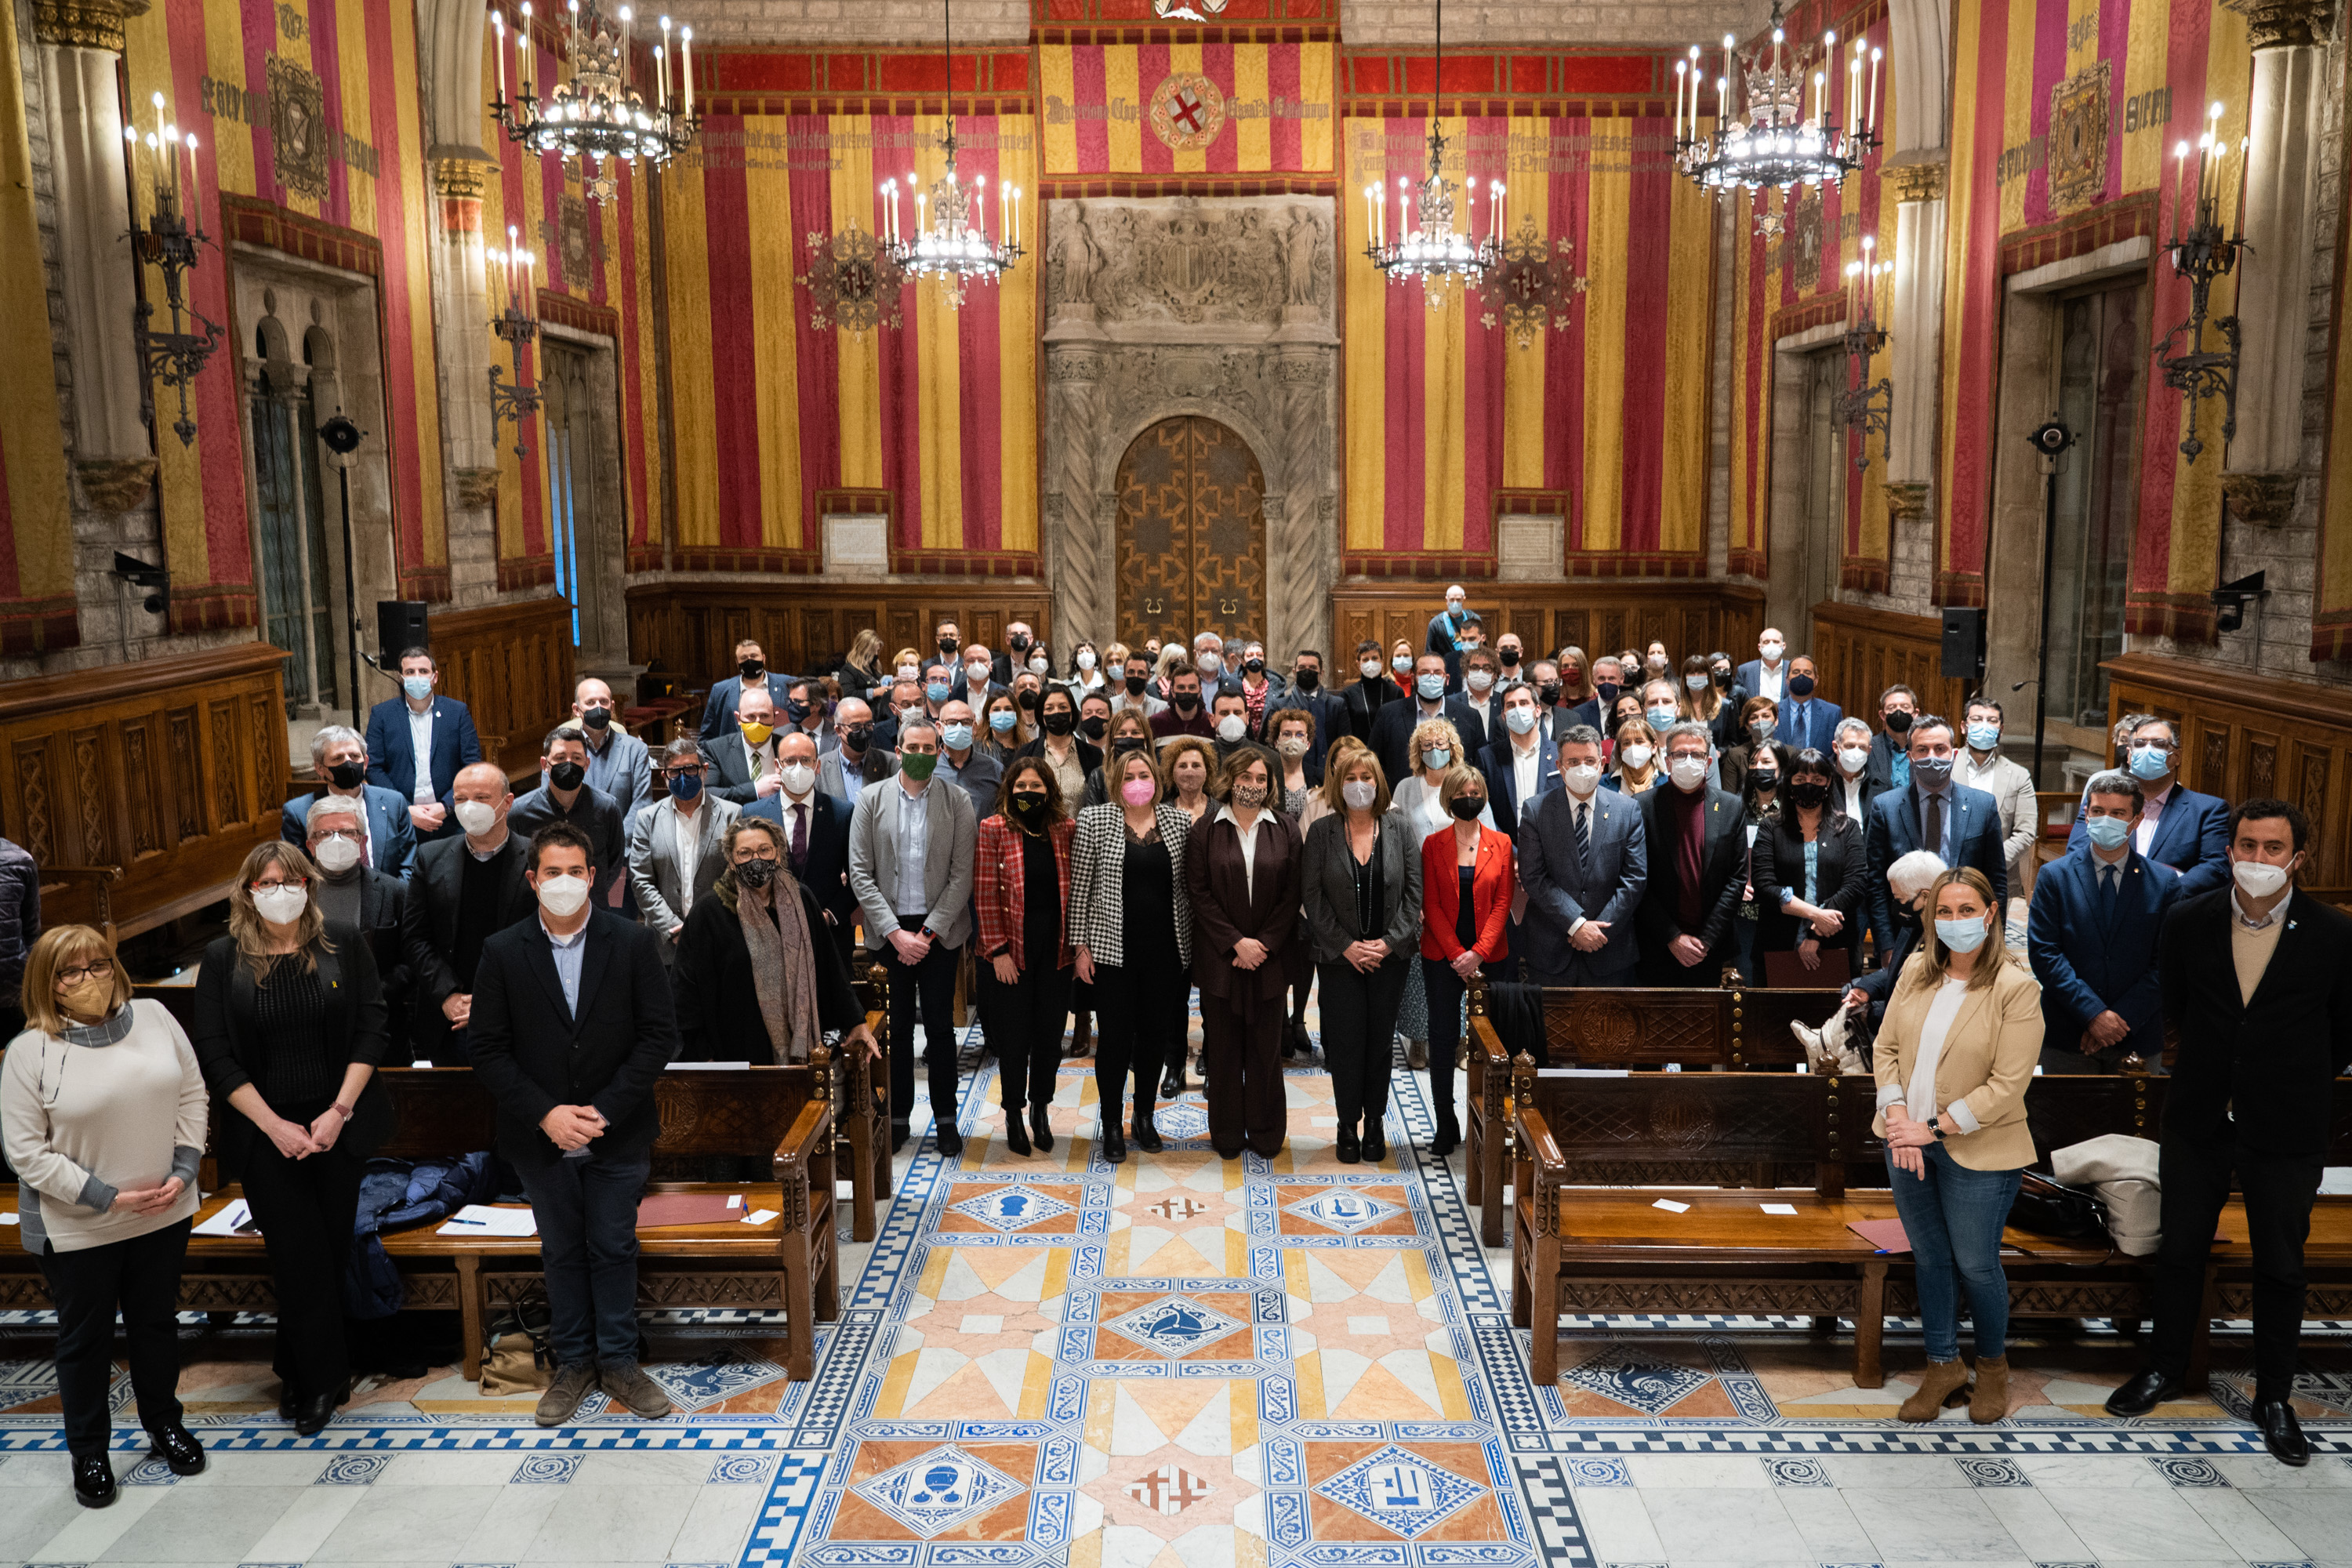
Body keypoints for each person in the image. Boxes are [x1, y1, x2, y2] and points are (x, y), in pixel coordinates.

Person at [2105, 800, 2352, 1465]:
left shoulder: (2334, 933)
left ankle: (2274, 1396)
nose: (2259, 859)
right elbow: (2179, 1008)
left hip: (2288, 1121)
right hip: (2200, 1115)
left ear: (2297, 858)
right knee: (2180, 1249)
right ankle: (2163, 1369)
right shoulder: (2190, 919)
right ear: (2230, 850)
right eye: (2248, 845)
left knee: (2281, 1264)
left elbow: (2343, 1033)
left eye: (2274, 848)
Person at [467, 822, 681, 1425]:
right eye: (551, 873)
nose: (564, 882)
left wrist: (604, 1110)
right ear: (533, 880)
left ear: (595, 876)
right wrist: (547, 1113)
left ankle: (618, 1361)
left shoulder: (632, 943)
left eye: (575, 871)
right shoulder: (503, 951)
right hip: (539, 1135)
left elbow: (659, 1036)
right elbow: (487, 1048)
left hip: (619, 1127)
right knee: (561, 1249)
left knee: (612, 1244)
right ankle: (573, 1363)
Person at [1, 926, 208, 1506]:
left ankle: (165, 1423)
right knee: (85, 1339)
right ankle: (89, 1452)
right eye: (71, 972)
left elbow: (191, 1093)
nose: (89, 979)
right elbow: (26, 1152)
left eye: (98, 966)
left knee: (156, 1324)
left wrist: (184, 1168)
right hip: (79, 1225)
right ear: (49, 984)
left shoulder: (156, 1018)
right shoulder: (30, 1052)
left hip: (164, 1210)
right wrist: (104, 1197)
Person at [193, 841, 390, 1436]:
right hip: (265, 1133)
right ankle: (324, 1381)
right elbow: (215, 1054)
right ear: (248, 893)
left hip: (337, 1127)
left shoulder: (341, 944)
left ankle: (294, 1365)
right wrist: (274, 1125)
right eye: (266, 883)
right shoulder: (223, 957)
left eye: (289, 880)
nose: (279, 891)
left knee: (327, 1254)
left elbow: (372, 1028)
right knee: (298, 1255)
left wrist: (337, 1112)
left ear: (308, 885)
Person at [1874, 865, 2042, 1424]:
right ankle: (1942, 1363)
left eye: (1967, 910)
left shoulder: (2015, 988)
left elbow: (2007, 1085)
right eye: (1943, 912)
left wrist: (1934, 1128)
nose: (1954, 921)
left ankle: (1991, 1367)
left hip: (1979, 1150)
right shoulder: (1918, 969)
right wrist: (1898, 1116)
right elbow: (1887, 1049)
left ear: (1990, 914)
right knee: (1931, 1259)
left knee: (1975, 1264)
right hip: (1907, 1141)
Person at [848, 718, 979, 1156]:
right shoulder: (870, 799)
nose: (921, 753)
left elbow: (963, 875)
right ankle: (898, 1117)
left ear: (939, 750)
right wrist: (896, 934)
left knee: (941, 1030)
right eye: (912, 746)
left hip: (939, 931)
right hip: (888, 932)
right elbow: (862, 875)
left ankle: (946, 1119)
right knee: (897, 1031)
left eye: (929, 746)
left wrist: (926, 932)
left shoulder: (957, 800)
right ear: (899, 751)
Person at [1071, 747, 1195, 1161]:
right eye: (1128, 776)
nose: (1137, 783)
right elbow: (1081, 888)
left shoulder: (1178, 821)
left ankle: (1145, 1116)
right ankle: (1111, 1122)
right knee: (1115, 1041)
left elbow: (1186, 889)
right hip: (1111, 951)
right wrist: (1081, 947)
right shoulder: (1095, 819)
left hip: (1165, 949)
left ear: (1157, 781)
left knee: (1154, 1039)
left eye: (1144, 775)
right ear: (1115, 782)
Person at [671, 815, 876, 1065]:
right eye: (744, 853)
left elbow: (830, 967)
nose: (755, 859)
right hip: (736, 1054)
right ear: (732, 862)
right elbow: (686, 991)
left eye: (764, 850)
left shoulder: (801, 898)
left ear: (778, 855)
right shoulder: (708, 913)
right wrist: (703, 1053)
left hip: (805, 1055)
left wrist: (857, 1023)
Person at [1301, 741, 1421, 1163]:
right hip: (1339, 961)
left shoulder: (1400, 827)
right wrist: (1347, 946)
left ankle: (1375, 1123)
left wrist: (1388, 943)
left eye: (1365, 778)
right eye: (1349, 778)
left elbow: (1413, 894)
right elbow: (1312, 899)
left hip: (1391, 958)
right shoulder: (1322, 832)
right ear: (1338, 783)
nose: (1358, 785)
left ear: (1378, 782)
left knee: (1380, 1045)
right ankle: (1347, 1125)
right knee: (1348, 1045)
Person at [1188, 746, 1304, 1161]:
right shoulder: (1205, 829)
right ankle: (1227, 1133)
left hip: (1269, 959)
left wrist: (1263, 944)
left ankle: (1267, 1131)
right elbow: (1198, 892)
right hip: (1222, 959)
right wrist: (1236, 942)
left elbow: (1292, 894)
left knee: (1266, 1050)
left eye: (1261, 779)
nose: (1252, 785)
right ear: (1229, 778)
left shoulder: (1286, 828)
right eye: (1245, 777)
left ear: (1270, 784)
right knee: (1222, 1049)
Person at [2026, 771, 2180, 1073]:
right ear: (2086, 814)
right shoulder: (2054, 876)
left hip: (2137, 1033)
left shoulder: (2163, 883)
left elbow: (2168, 963)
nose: (2105, 819)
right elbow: (2045, 954)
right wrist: (2093, 1014)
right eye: (2098, 811)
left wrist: (2119, 1021)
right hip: (2068, 1034)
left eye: (2118, 813)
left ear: (2136, 820)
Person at [975, 760, 1077, 1156]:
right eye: (1021, 786)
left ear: (1049, 790)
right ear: (1009, 790)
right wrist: (996, 951)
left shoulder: (1064, 828)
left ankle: (1040, 1109)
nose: (1028, 792)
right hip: (1011, 948)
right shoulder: (994, 829)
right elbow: (984, 895)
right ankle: (1014, 1113)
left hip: (1056, 947)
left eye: (1036, 786)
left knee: (1050, 1037)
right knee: (1015, 1037)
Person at [402, 761, 537, 1064]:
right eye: (460, 799)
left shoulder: (537, 858)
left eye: (481, 798)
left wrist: (496, 1003)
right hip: (450, 1015)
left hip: (519, 1014)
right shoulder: (430, 857)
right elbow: (415, 939)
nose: (469, 807)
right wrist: (448, 995)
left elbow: (545, 939)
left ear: (508, 802)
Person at [1418, 766, 1513, 1156]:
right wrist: (1459, 954)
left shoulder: (1503, 842)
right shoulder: (1432, 844)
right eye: (1462, 791)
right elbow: (1432, 904)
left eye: (1476, 790)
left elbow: (1503, 901)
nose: (1469, 796)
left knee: (1494, 1040)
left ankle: (1495, 1121)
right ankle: (1445, 1121)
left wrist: (1479, 952)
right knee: (1442, 1041)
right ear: (1450, 798)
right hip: (1443, 955)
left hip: (1491, 956)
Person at [1864, 714, 2009, 960]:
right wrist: (1886, 945)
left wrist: (1994, 938)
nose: (1932, 756)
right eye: (1922, 749)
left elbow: (1996, 880)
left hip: (1967, 933)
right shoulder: (1885, 807)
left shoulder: (1982, 806)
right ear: (1910, 757)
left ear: (1953, 754)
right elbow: (1875, 884)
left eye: (1940, 749)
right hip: (1905, 934)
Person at [1519, 724, 1647, 986]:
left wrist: (1598, 930)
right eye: (1573, 761)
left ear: (1602, 764)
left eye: (1589, 760)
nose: (1582, 767)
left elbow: (1634, 879)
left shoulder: (1628, 810)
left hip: (1610, 951)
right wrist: (1576, 924)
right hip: (1551, 952)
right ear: (1560, 765)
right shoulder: (1535, 810)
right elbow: (1533, 877)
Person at [2063, 717, 2230, 898]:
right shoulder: (2103, 804)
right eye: (2140, 744)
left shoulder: (2208, 810)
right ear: (2129, 755)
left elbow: (2215, 868)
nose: (2148, 750)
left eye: (2159, 744)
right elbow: (2078, 851)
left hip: (2172, 912)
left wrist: (2162, 892)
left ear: (2177, 757)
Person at [1634, 721, 1746, 986]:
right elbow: (1638, 880)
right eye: (1680, 754)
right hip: (1657, 943)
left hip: (1709, 946)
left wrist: (1706, 940)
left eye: (1696, 755)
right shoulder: (1641, 807)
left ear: (1708, 762)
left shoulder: (1731, 806)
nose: (1688, 760)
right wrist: (1672, 937)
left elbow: (1736, 879)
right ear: (1667, 760)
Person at [742, 730, 858, 971]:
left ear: (817, 767)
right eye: (790, 761)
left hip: (829, 939)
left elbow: (858, 878)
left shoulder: (842, 812)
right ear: (777, 766)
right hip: (772, 937)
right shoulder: (754, 814)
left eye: (806, 761)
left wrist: (828, 915)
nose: (799, 767)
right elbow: (745, 879)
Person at [303, 795, 411, 1049]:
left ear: (362, 841)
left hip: (381, 1027)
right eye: (325, 833)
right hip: (311, 1027)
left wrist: (370, 995)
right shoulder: (294, 893)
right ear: (310, 845)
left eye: (347, 832)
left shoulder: (393, 891)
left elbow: (411, 961)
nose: (336, 840)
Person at [1753, 749, 1870, 979]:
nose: (1809, 784)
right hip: (1779, 943)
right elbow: (1764, 885)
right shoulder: (1770, 828)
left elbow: (1856, 884)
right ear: (1789, 782)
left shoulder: (1848, 828)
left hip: (1835, 942)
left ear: (1828, 784)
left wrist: (1816, 932)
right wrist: (1817, 915)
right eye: (1800, 779)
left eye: (1817, 779)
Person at [629, 739, 742, 972]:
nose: (683, 776)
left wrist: (706, 926)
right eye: (675, 771)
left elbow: (735, 878)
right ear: (664, 776)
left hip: (717, 938)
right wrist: (673, 928)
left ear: (704, 771)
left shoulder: (732, 815)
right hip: (665, 945)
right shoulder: (647, 819)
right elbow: (641, 882)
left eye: (691, 768)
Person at [365, 647, 484, 838]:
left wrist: (447, 805)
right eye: (410, 672)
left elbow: (471, 766)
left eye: (423, 671)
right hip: (400, 821)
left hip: (450, 819)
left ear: (434, 677)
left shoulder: (457, 712)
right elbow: (374, 768)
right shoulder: (382, 715)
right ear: (400, 677)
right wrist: (404, 809)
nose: (417, 677)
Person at [511, 724, 628, 907]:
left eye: (576, 758)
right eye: (560, 758)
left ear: (586, 764)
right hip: (537, 910)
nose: (569, 763)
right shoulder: (520, 811)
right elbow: (515, 866)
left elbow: (615, 862)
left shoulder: (607, 808)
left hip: (592, 908)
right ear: (544, 765)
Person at [282, 725, 418, 879]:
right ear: (320, 768)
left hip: (390, 898)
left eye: (354, 756)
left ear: (365, 762)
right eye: (338, 758)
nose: (348, 763)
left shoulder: (394, 802)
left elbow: (409, 866)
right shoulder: (298, 812)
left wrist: (392, 899)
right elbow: (298, 872)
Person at [1843, 849, 1949, 1025]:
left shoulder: (1948, 940)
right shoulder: (1913, 924)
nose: (1897, 905)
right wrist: (1866, 988)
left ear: (1925, 896)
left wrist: (1870, 1015)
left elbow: (1922, 1008)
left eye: (1900, 899)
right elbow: (1897, 970)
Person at [1953, 697, 2037, 906]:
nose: (1984, 725)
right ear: (1964, 726)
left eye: (1992, 721)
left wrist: (1992, 862)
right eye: (1977, 719)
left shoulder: (2018, 775)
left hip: (1997, 878)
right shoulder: (1946, 766)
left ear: (2001, 729)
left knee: (1993, 937)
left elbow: (2026, 832)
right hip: (1949, 872)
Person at [567, 677, 654, 829]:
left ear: (612, 707)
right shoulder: (561, 752)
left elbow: (641, 805)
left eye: (604, 702)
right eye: (590, 703)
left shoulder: (636, 750)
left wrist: (617, 843)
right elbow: (552, 804)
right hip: (577, 847)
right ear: (576, 710)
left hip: (623, 847)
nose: (598, 707)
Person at [1370, 652, 1455, 786]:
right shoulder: (1388, 714)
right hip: (1401, 799)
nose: (1431, 677)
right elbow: (1374, 764)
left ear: (1447, 679)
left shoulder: (1469, 717)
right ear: (1413, 678)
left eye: (1438, 673)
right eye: (1424, 673)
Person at [1268, 648, 1348, 771]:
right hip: (1290, 772)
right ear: (1294, 672)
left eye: (1313, 668)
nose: (1307, 671)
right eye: (1302, 667)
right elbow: (1272, 745)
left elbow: (1344, 743)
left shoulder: (1336, 705)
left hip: (1328, 773)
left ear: (1322, 673)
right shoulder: (1280, 705)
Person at [1018, 685, 1096, 807]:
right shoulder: (1026, 753)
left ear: (1072, 713)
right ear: (1042, 716)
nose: (1057, 712)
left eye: (1063, 707)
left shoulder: (1093, 755)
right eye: (1049, 708)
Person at [821, 695, 898, 804]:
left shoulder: (891, 763)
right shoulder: (821, 768)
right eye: (856, 727)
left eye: (868, 725)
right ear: (838, 730)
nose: (863, 733)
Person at [0, 832, 38, 1041]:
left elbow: (31, 931)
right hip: (15, 986)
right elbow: (32, 932)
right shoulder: (20, 858)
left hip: (13, 988)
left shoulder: (19, 860)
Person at [699, 637, 773, 740]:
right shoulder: (720, 690)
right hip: (733, 754)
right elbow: (707, 736)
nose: (749, 660)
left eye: (754, 656)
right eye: (744, 658)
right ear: (737, 663)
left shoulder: (786, 684)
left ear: (763, 659)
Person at [1718, 695, 1782, 798]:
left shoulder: (1790, 753)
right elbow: (1728, 797)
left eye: (1766, 716)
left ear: (1776, 720)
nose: (1760, 721)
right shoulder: (1735, 755)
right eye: (1754, 718)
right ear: (1747, 725)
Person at [1862, 684, 1919, 795]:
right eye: (1891, 708)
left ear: (1915, 714)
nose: (1899, 711)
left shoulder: (1925, 749)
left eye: (1905, 707)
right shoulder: (1869, 748)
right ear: (1882, 715)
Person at [1449, 649, 1504, 757]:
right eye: (1474, 667)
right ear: (1466, 672)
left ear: (1496, 674)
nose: (1480, 672)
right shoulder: (1452, 702)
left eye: (1487, 668)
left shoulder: (1504, 702)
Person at [1828, 717, 1880, 826]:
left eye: (1862, 747)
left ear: (1869, 751)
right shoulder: (1822, 781)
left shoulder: (1880, 785)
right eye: (1850, 746)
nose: (1856, 752)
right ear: (1836, 747)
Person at [1344, 638, 1399, 739]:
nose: (1371, 662)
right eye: (1365, 659)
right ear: (1358, 664)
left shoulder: (1396, 692)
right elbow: (1347, 733)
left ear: (1382, 661)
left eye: (1374, 658)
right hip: (1359, 751)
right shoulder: (1348, 694)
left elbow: (1399, 727)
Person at [1152, 662, 1215, 746]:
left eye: (1192, 687)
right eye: (1181, 688)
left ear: (1200, 691)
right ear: (1173, 692)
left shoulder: (1210, 724)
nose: (1187, 691)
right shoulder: (1156, 723)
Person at [1162, 735, 1218, 827]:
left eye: (1196, 765)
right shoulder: (1162, 814)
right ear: (1172, 773)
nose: (1189, 772)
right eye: (1182, 766)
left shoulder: (1221, 811)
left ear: (1207, 770)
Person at [1566, 655, 1627, 733]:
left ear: (1621, 679)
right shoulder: (1579, 714)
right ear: (1594, 679)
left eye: (1611, 678)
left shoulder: (1631, 711)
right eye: (1602, 678)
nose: (1606, 683)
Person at [1603, 717, 1661, 796]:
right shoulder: (1603, 784)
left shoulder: (1667, 783)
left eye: (1639, 741)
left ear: (1654, 747)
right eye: (1626, 743)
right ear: (1620, 750)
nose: (1633, 747)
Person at [1236, 640, 1284, 733]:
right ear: (1243, 662)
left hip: (1268, 739)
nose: (1255, 658)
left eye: (1259, 655)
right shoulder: (1235, 684)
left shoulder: (1276, 685)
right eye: (1250, 655)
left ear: (1264, 659)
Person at [1734, 627, 1790, 705]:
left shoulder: (1793, 669)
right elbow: (1737, 702)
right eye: (1766, 642)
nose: (1771, 645)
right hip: (1755, 716)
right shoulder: (1745, 670)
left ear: (1783, 646)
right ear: (1759, 647)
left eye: (1776, 642)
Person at [1112, 648, 1169, 724]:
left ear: (1149, 678)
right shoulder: (1110, 705)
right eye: (1131, 672)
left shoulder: (1161, 709)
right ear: (1124, 676)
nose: (1136, 676)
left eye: (1141, 673)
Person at [837, 628, 886, 707]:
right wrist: (875, 692)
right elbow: (847, 695)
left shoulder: (873, 668)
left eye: (878, 651)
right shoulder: (849, 670)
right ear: (864, 650)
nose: (876, 654)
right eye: (874, 651)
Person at [981, 688, 1030, 762]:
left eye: (1008, 709)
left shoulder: (1029, 748)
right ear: (988, 717)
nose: (1002, 714)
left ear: (1016, 715)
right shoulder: (978, 749)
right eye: (996, 710)